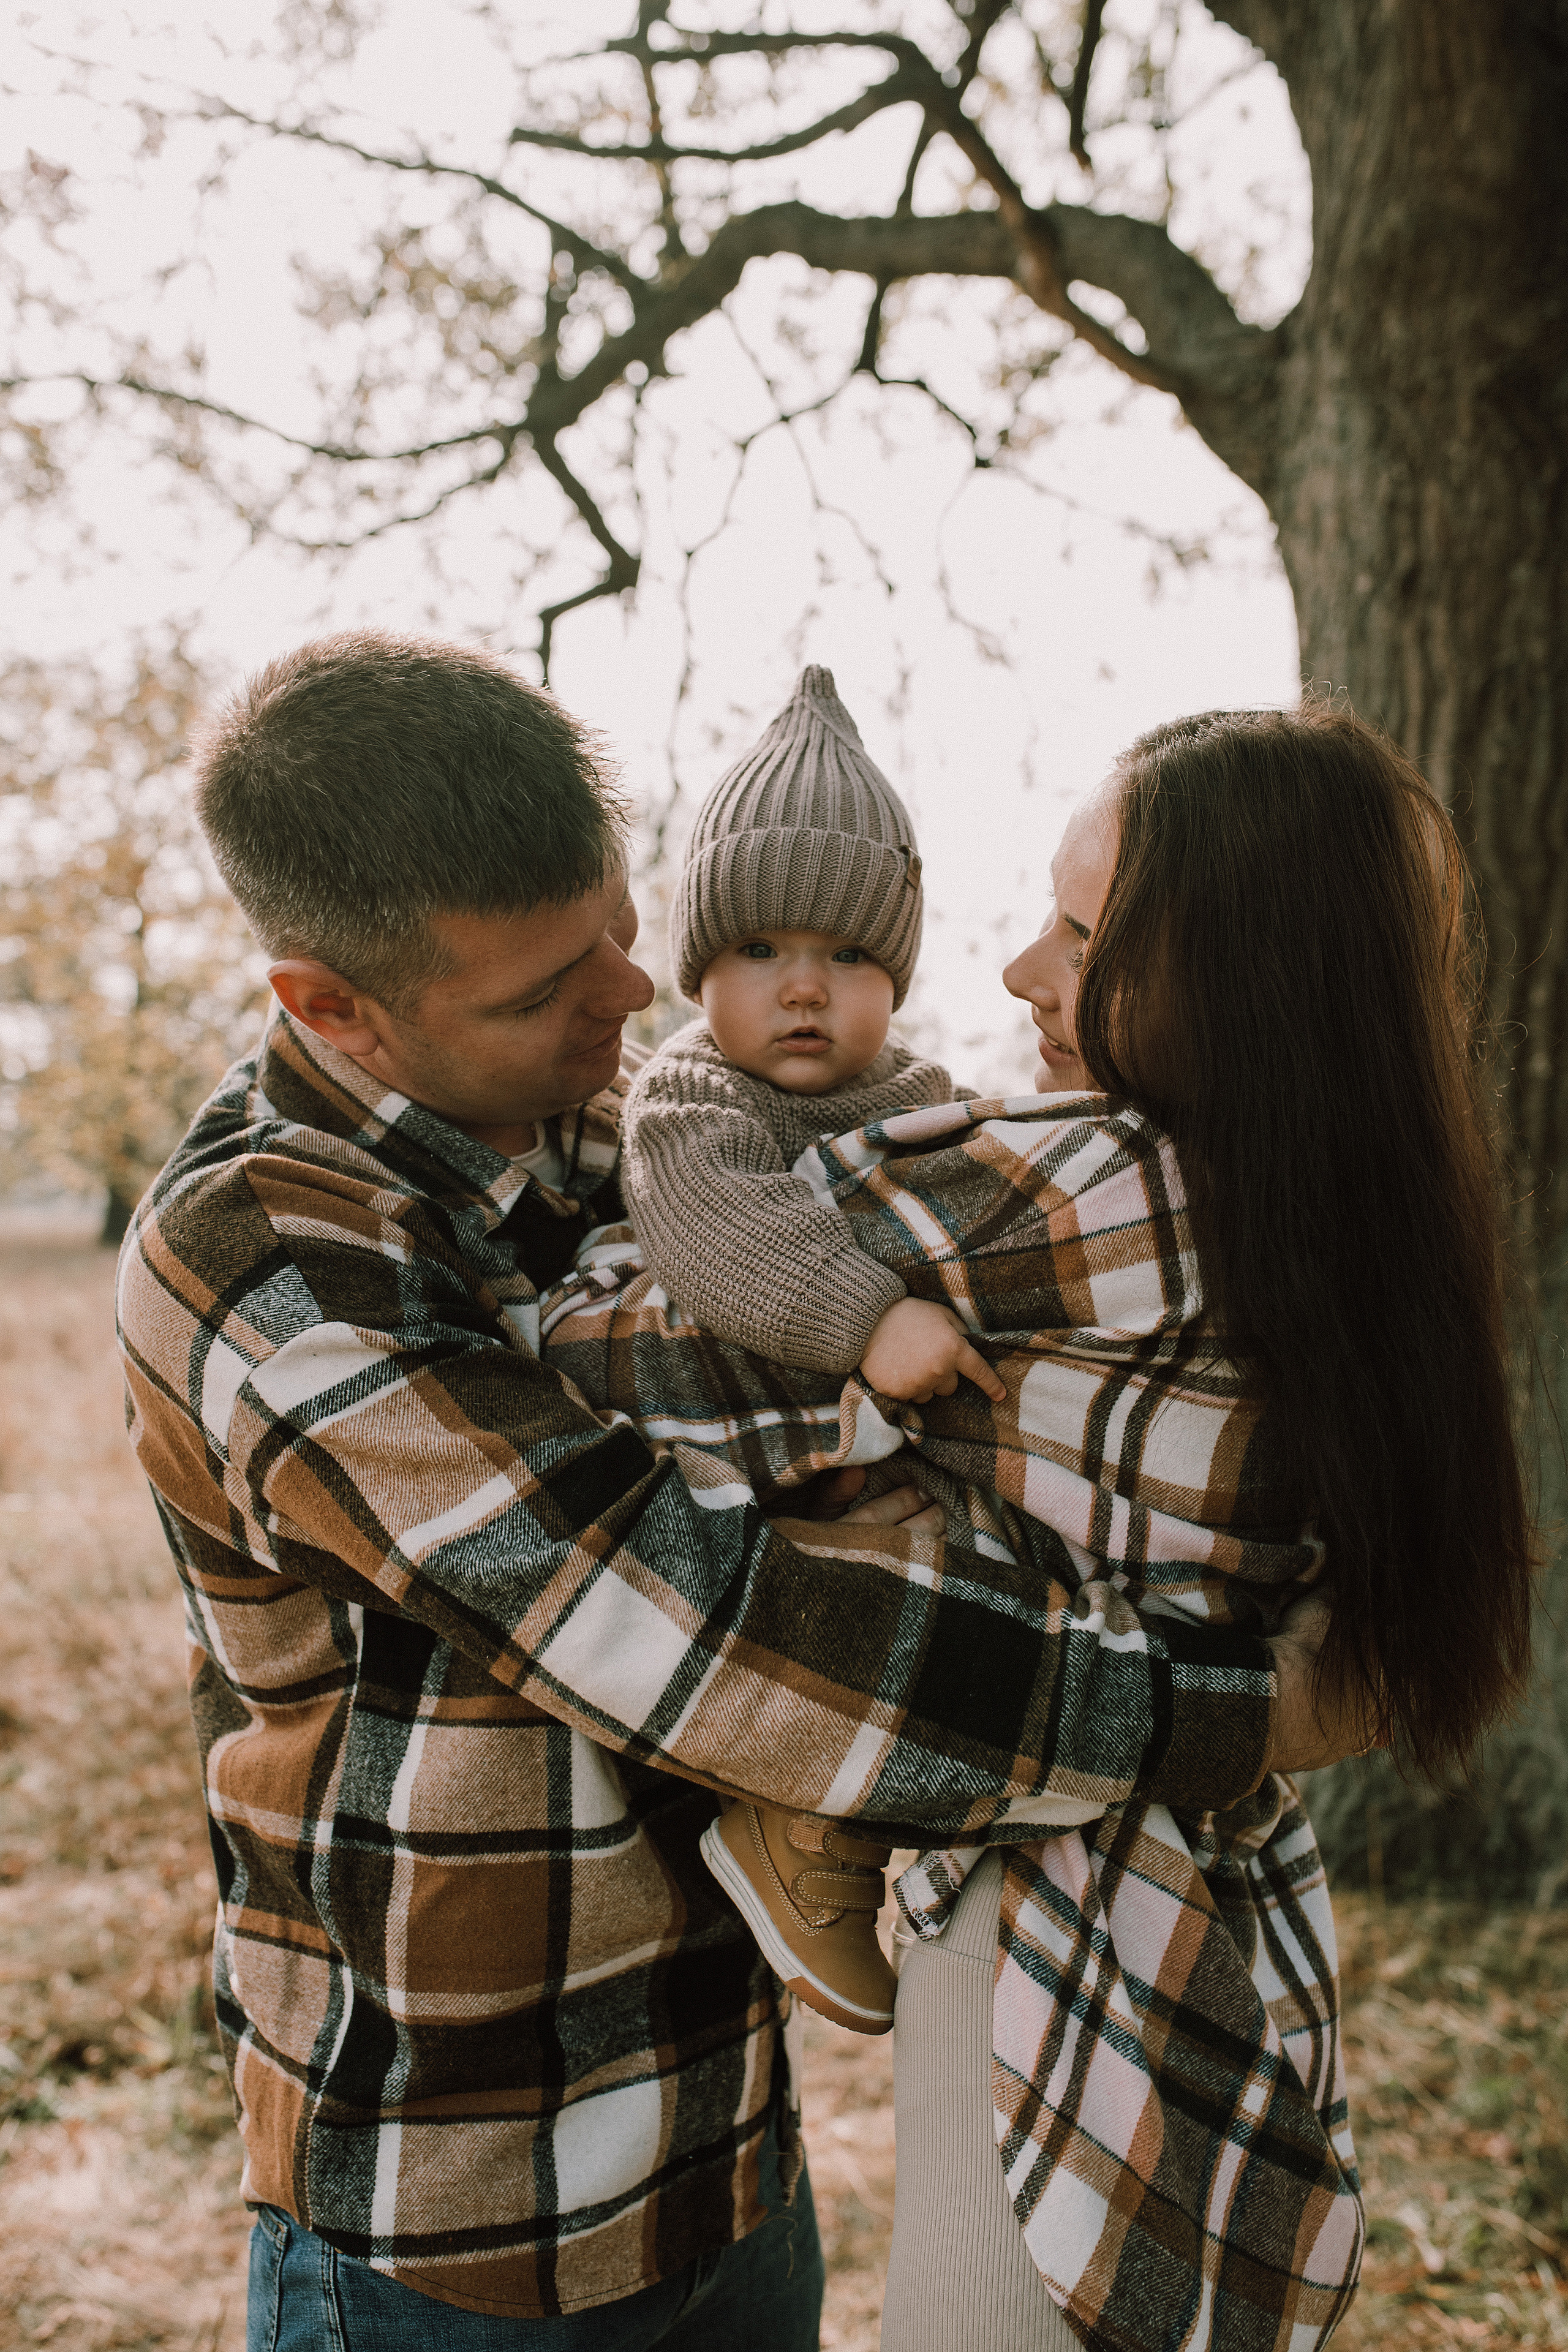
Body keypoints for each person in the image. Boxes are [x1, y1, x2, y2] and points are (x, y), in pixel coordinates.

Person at [115, 633, 1361, 2352]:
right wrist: (1232, 1708)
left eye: (624, 930)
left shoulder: (608, 1127)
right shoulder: (261, 1258)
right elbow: (689, 1623)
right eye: (550, 984)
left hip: (726, 2144)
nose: (633, 1001)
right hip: (460, 2209)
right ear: (330, 1005)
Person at [540, 704, 1534, 2352]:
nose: (1014, 975)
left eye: (1079, 935)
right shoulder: (1362, 1200)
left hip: (1041, 1913)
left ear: (1236, 977)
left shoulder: (1076, 1191)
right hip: (1227, 1896)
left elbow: (601, 1353)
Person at [620, 663, 1009, 2037]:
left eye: (847, 957)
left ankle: (871, 1819)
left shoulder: (921, 1097)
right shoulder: (685, 1097)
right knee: (854, 1602)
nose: (804, 989)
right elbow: (711, 1228)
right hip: (742, 1469)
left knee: (967, 1601)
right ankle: (802, 1828)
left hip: (892, 1455)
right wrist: (868, 1319)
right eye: (760, 953)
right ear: (697, 972)